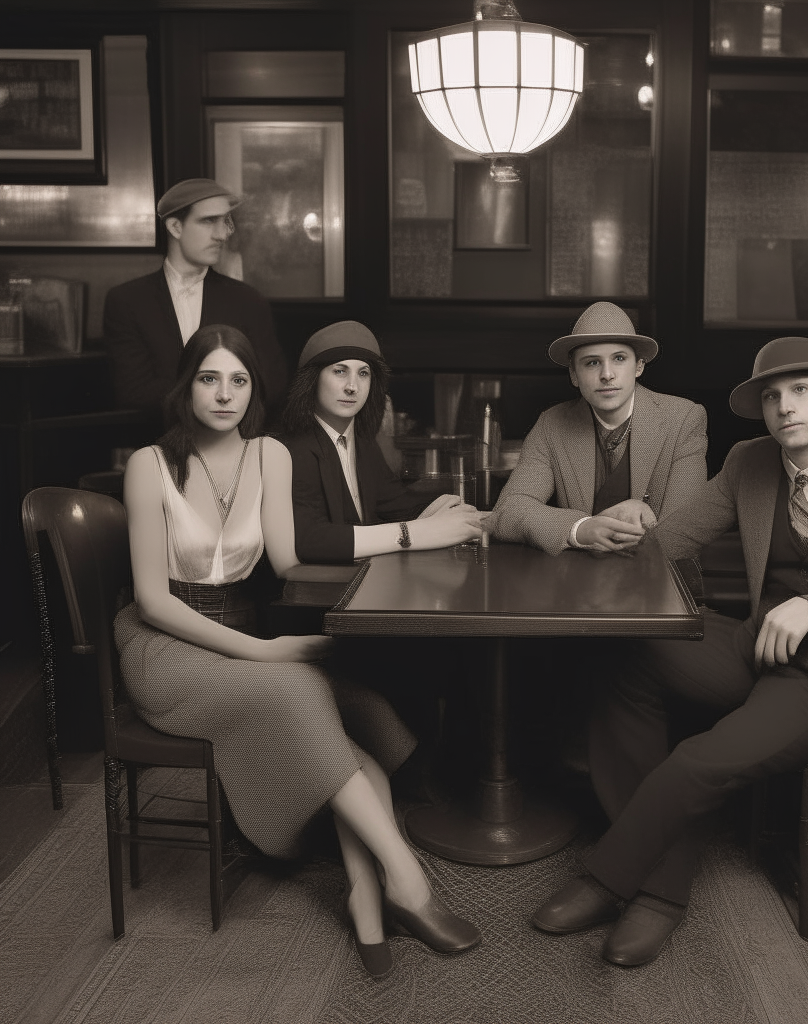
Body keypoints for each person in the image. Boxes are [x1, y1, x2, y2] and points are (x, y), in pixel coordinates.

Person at [531, 336, 808, 967]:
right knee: (624, 658)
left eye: (800, 390)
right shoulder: (752, 461)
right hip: (759, 641)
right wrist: (598, 548)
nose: (784, 408)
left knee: (698, 758)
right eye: (771, 396)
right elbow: (670, 540)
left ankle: (611, 881)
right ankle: (661, 878)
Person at [114, 324, 481, 978]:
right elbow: (151, 601)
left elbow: (287, 556)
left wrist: (419, 530)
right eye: (208, 378)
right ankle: (407, 881)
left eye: (238, 380)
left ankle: (366, 895)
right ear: (186, 386)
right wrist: (262, 654)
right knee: (298, 687)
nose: (223, 394)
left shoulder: (270, 457)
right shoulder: (150, 464)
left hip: (245, 631)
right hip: (165, 648)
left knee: (358, 708)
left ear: (256, 391)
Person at [487, 301, 708, 555]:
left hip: (662, 577)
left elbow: (685, 530)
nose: (607, 374)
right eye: (592, 363)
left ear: (639, 366)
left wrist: (647, 523)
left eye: (619, 359)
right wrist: (580, 529)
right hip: (580, 580)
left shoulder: (683, 419)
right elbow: (508, 511)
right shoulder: (552, 424)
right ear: (573, 374)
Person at [282, 320, 485, 561]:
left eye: (363, 373)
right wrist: (410, 534)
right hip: (325, 593)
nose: (352, 386)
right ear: (312, 380)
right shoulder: (291, 450)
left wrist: (476, 517)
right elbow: (310, 540)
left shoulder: (362, 443)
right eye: (340, 371)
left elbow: (397, 505)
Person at [103, 178, 289, 423]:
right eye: (208, 221)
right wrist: (222, 388)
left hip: (236, 445)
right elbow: (133, 391)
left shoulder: (249, 301)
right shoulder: (127, 301)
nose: (222, 234)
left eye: (225, 221)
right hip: (160, 447)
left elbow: (272, 385)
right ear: (175, 227)